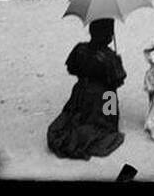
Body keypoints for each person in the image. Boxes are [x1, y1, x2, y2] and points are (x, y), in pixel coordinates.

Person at [47, 18, 127, 160]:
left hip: (81, 91)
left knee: (74, 116)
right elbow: (118, 81)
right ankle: (104, 128)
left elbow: (71, 69)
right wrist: (116, 60)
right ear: (109, 35)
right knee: (108, 120)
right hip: (105, 95)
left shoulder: (80, 49)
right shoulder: (109, 57)